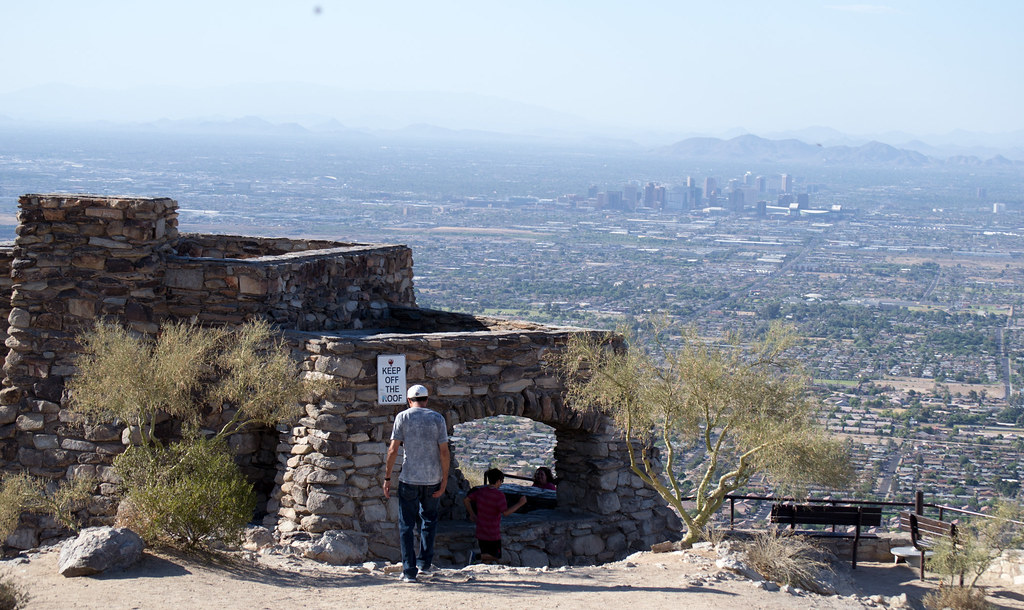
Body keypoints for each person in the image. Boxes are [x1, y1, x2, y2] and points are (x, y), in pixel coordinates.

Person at [383, 384, 450, 583]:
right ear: (427, 400)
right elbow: (444, 452)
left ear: (409, 401)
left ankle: (409, 571)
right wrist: (444, 479)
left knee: (406, 525)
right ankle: (424, 564)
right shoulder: (437, 418)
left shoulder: (403, 417)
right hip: (432, 478)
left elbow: (393, 450)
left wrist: (387, 478)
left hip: (409, 478)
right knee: (429, 520)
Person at [463, 468, 527, 564]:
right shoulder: (499, 495)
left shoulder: (481, 491)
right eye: (501, 481)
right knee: (496, 556)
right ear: (498, 481)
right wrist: (520, 504)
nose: (501, 484)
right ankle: (475, 556)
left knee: (486, 557)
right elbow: (505, 513)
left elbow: (466, 500)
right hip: (492, 532)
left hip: (481, 529)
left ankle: (482, 573)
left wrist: (472, 514)